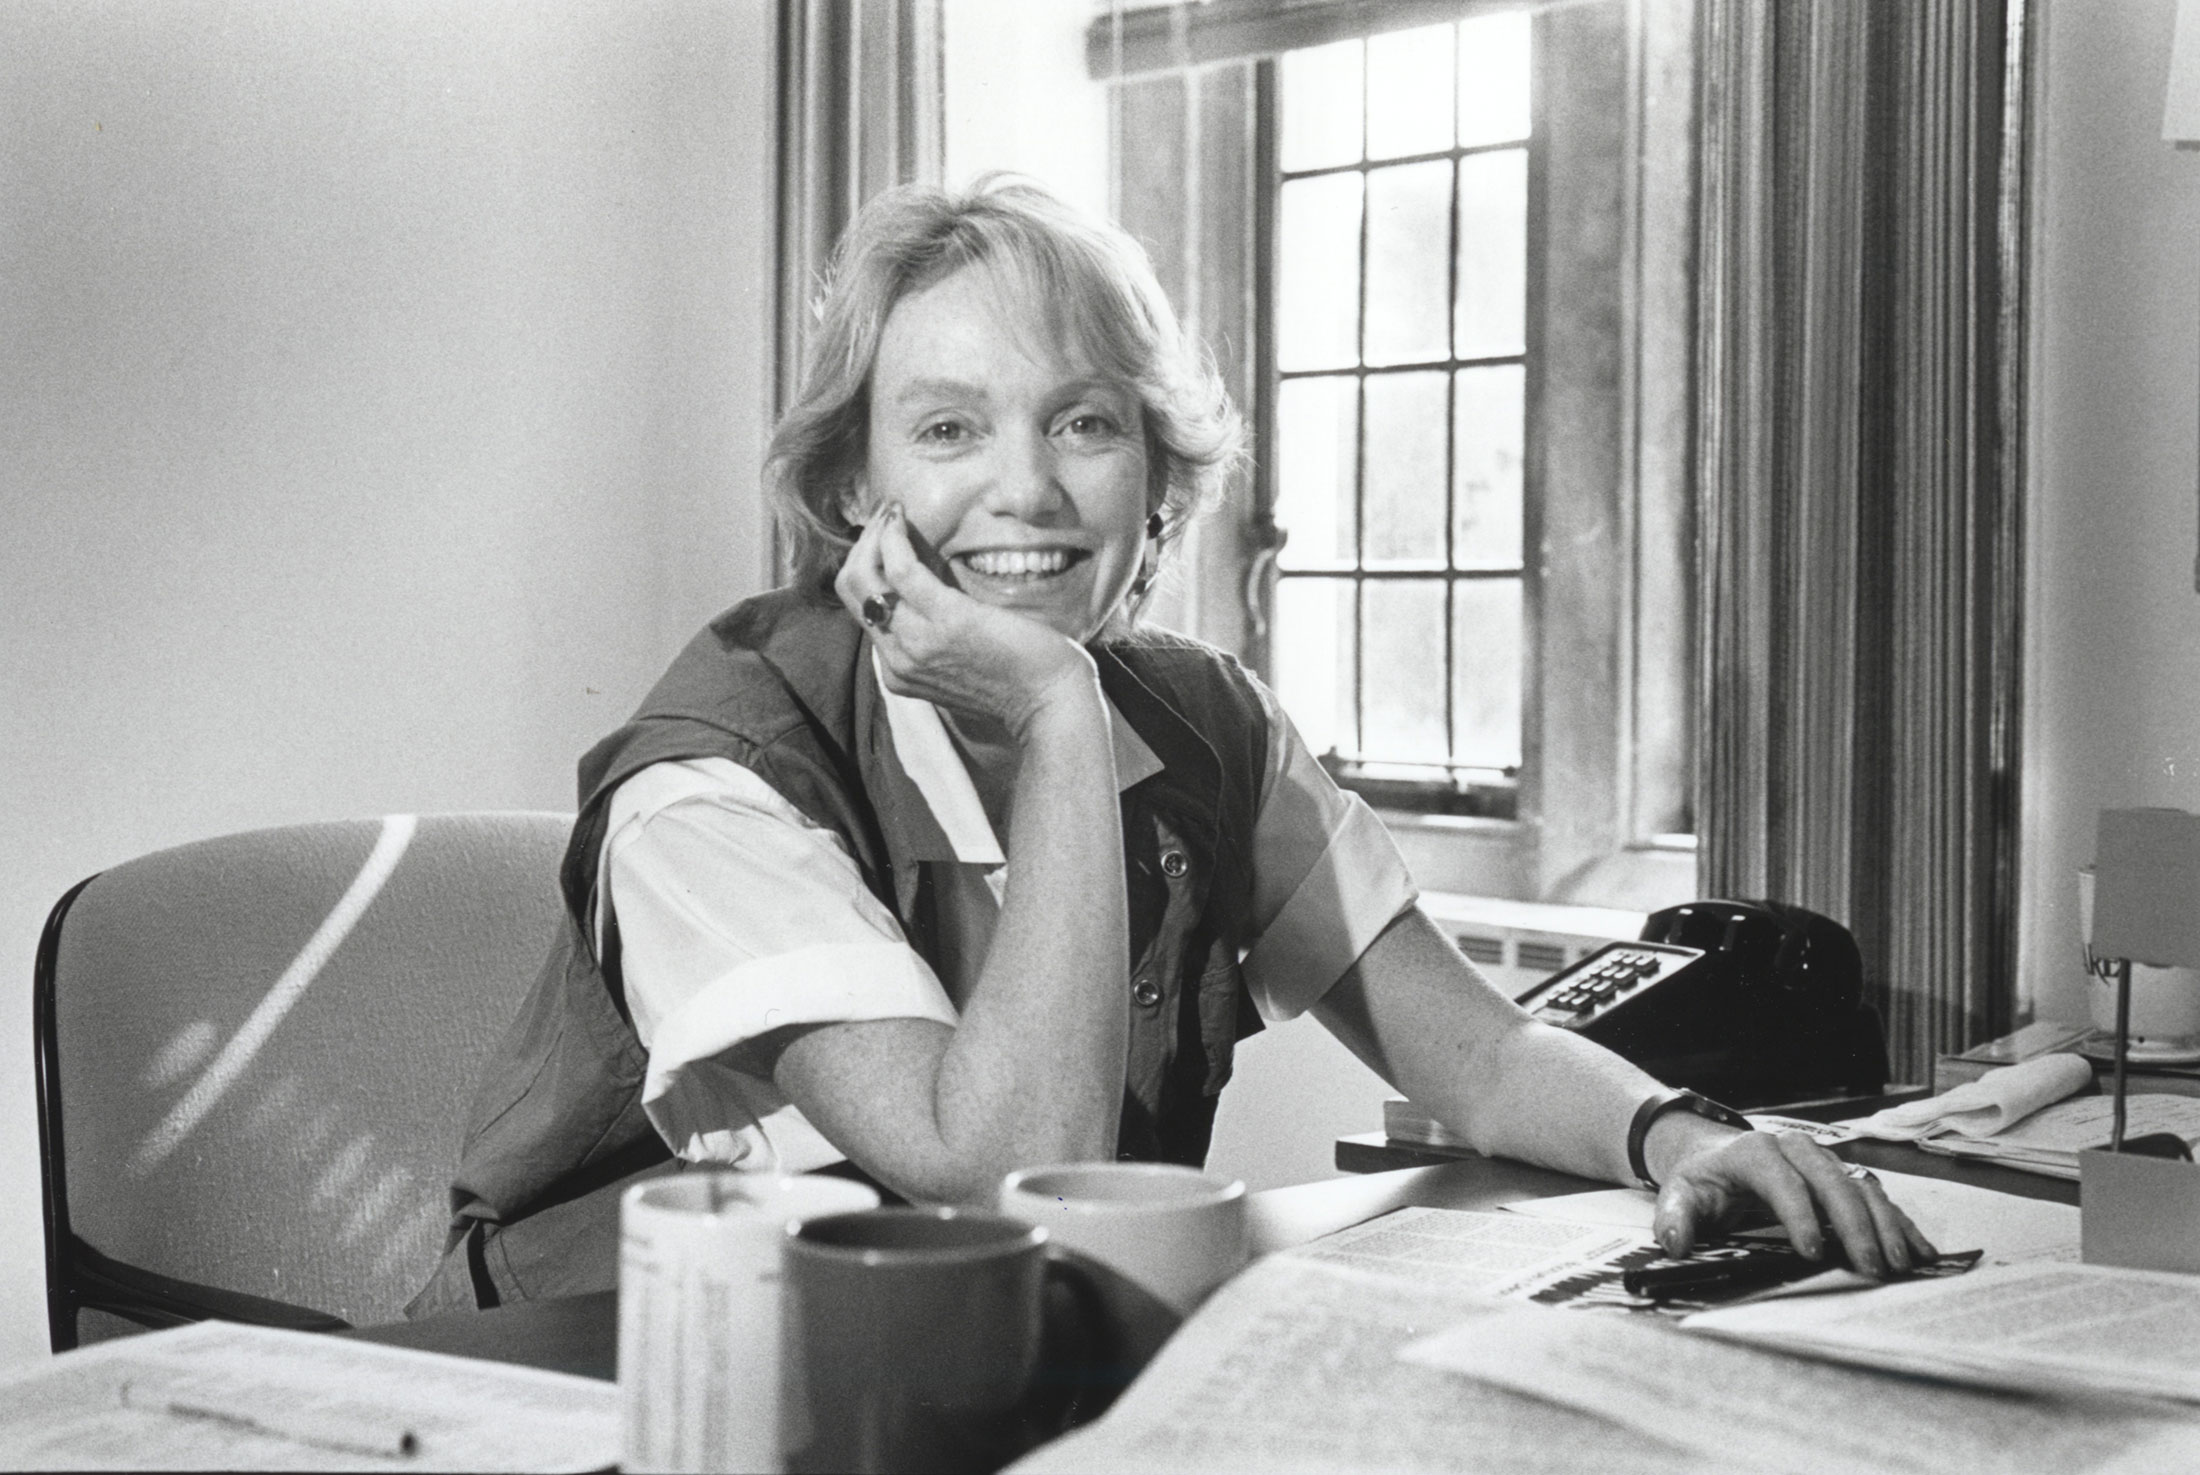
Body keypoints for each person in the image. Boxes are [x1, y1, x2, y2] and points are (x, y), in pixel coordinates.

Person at [409, 175, 1930, 1316]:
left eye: (1082, 423)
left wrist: (1677, 1137)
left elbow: (1476, 1054)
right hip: (617, 1381)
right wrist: (1061, 717)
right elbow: (998, 1159)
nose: (1029, 490)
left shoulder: (1202, 722)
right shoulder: (712, 776)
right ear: (853, 491)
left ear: (1154, 473)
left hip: (973, 1357)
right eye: (947, 431)